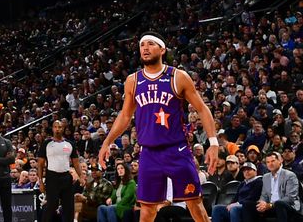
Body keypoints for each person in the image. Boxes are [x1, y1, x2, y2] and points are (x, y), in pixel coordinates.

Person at [99, 32, 219, 222]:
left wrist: (213, 143)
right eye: (142, 44)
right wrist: (107, 142)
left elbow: (203, 109)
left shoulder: (178, 76)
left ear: (162, 49)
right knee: (147, 210)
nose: (145, 48)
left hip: (176, 149)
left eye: (151, 44)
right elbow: (124, 115)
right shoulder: (133, 80)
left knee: (194, 203)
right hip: (148, 152)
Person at [39, 120, 84, 222]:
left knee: (69, 207)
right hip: (52, 177)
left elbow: (76, 163)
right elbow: (40, 165)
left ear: (63, 129)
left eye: (59, 127)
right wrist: (41, 181)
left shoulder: (70, 144)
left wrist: (81, 176)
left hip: (66, 177)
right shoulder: (46, 144)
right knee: (51, 205)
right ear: (52, 128)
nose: (57, 129)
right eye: (55, 127)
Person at [249, 152, 302, 222]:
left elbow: (290, 197)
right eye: (268, 162)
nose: (270, 164)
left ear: (279, 161)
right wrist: (262, 203)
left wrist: (270, 205)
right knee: (248, 205)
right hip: (270, 206)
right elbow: (264, 195)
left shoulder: (290, 175)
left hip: (288, 206)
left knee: (279, 204)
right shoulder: (265, 177)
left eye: (273, 161)